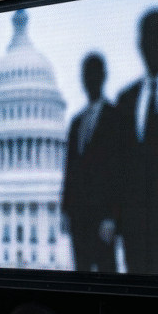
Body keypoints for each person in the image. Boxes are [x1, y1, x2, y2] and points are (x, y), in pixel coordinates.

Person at [112, 9, 158, 275]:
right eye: (146, 39)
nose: (151, 46)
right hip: (134, 231)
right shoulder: (126, 98)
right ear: (139, 44)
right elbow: (117, 165)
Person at [61, 53, 118, 273]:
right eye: (86, 75)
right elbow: (70, 170)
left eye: (94, 74)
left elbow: (121, 172)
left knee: (107, 275)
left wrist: (112, 217)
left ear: (103, 77)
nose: (89, 80)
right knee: (82, 275)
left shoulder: (116, 117)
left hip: (102, 219)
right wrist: (66, 210)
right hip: (78, 219)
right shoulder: (76, 122)